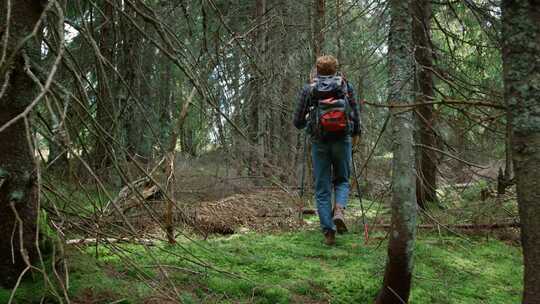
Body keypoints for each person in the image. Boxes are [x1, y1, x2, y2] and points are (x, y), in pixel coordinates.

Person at [293, 55, 361, 246]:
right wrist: (355, 134)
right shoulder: (346, 86)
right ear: (336, 69)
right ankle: (339, 210)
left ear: (317, 70)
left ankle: (328, 233)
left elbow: (297, 121)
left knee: (322, 188)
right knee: (342, 180)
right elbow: (355, 115)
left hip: (319, 141)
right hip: (342, 139)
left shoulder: (309, 89)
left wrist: (309, 121)